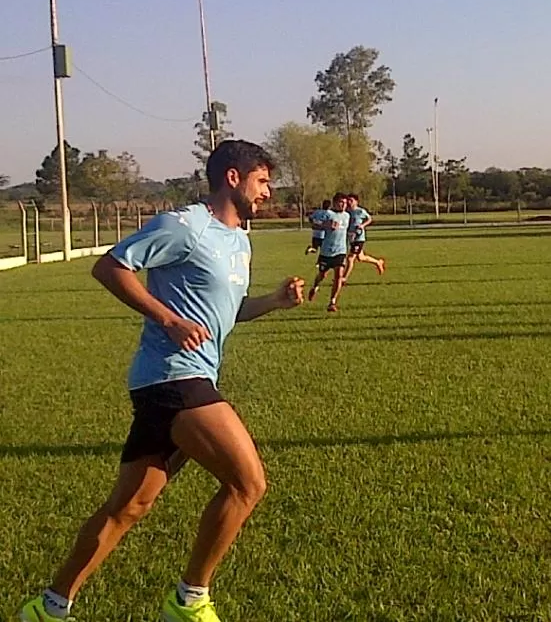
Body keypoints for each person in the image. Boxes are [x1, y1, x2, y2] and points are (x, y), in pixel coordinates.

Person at [18, 140, 305, 622]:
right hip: (174, 377)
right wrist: (168, 319)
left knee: (128, 507)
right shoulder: (184, 225)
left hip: (175, 381)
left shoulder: (239, 240)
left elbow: (226, 313)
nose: (268, 191)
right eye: (262, 180)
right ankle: (189, 599)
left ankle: (48, 608)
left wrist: (274, 302)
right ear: (231, 178)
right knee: (248, 483)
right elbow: (110, 266)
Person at [308, 192, 350, 311]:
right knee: (322, 275)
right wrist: (325, 224)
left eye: (345, 203)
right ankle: (315, 287)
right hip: (326, 252)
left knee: (339, 275)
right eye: (341, 202)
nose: (343, 205)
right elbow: (313, 223)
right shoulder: (328, 214)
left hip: (340, 251)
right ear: (335, 203)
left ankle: (332, 302)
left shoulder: (347, 216)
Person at [344, 194, 386, 281]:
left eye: (351, 200)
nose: (349, 202)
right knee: (361, 258)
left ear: (356, 201)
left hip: (359, 238)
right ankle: (378, 262)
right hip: (351, 238)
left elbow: (369, 219)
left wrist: (362, 225)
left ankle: (343, 278)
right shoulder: (347, 211)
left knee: (350, 258)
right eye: (348, 200)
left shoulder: (360, 211)